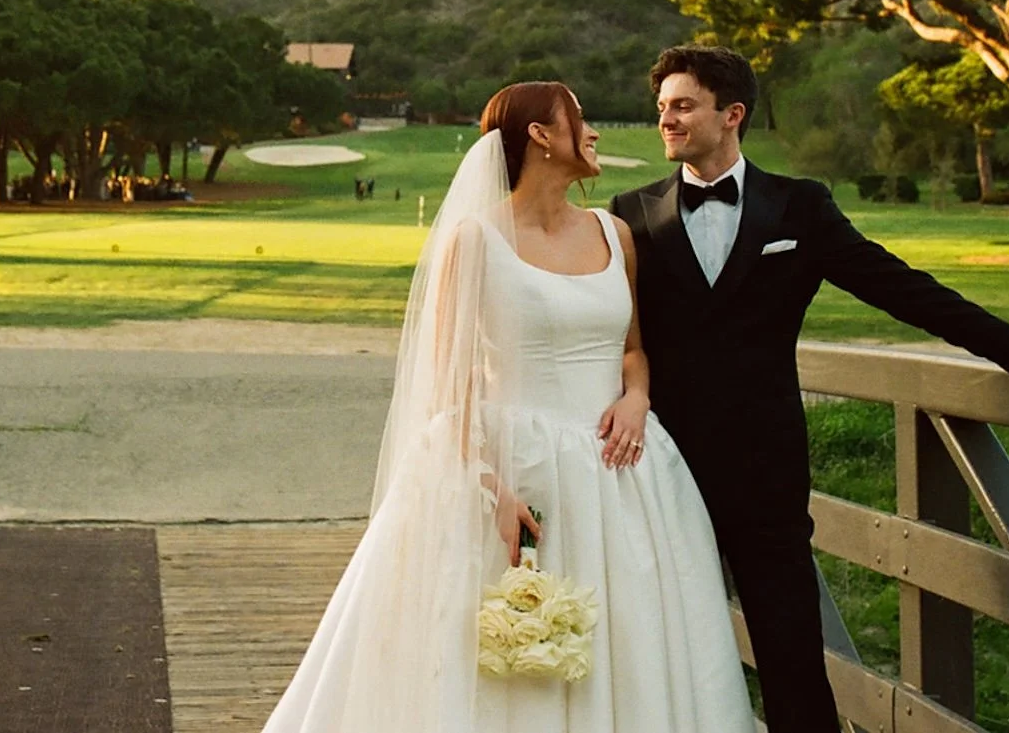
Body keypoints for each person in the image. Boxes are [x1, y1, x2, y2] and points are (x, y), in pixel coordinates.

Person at [609, 45, 1009, 732]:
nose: (665, 119)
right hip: (660, 475)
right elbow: (606, 337)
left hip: (766, 474)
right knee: (663, 657)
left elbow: (900, 286)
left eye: (682, 105)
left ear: (731, 114)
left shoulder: (799, 207)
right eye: (663, 105)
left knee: (792, 663)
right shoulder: (629, 213)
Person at [265, 82, 752, 732]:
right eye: (578, 120)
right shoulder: (475, 240)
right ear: (540, 136)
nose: (595, 133)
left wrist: (637, 396)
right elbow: (448, 384)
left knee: (632, 647)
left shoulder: (616, 233)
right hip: (515, 471)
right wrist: (489, 488)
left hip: (620, 472)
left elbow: (632, 348)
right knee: (508, 667)